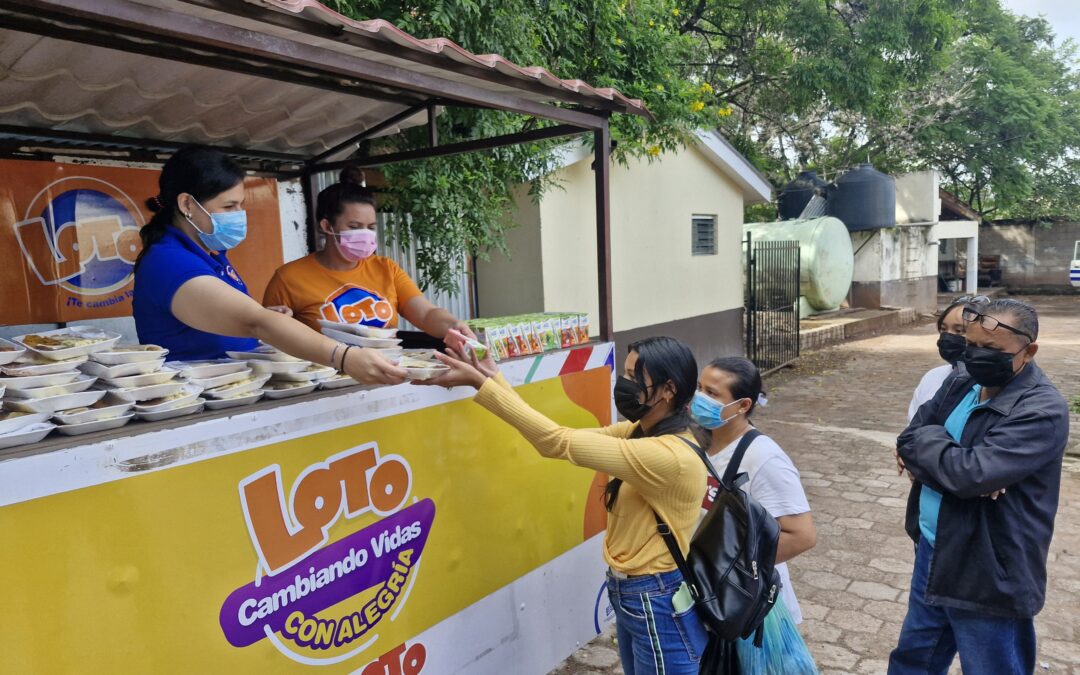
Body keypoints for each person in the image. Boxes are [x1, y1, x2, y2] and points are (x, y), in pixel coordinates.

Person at [419, 337, 710, 674]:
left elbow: (556, 442)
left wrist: (479, 383)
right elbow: (566, 434)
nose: (624, 384)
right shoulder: (641, 432)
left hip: (655, 598)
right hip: (633, 594)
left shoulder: (667, 457)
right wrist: (493, 377)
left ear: (668, 389)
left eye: (633, 376)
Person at [890, 298, 1070, 675]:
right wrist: (954, 462)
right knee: (913, 659)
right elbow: (910, 437)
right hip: (934, 548)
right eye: (972, 345)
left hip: (988, 567)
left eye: (992, 350)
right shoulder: (961, 380)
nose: (976, 356)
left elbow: (968, 475)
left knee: (991, 666)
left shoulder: (1042, 409)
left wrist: (943, 459)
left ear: (1029, 351)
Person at [133, 146, 407, 384]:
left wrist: (264, 316)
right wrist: (345, 357)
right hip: (196, 399)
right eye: (229, 206)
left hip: (234, 387)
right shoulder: (167, 261)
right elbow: (255, 323)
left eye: (241, 205)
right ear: (187, 204)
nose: (239, 215)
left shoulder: (211, 252)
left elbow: (238, 318)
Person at [262, 169, 470, 338]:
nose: (364, 234)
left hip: (384, 374)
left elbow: (425, 314)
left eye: (370, 227)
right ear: (327, 225)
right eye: (354, 226)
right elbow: (268, 337)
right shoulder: (288, 278)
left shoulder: (386, 268)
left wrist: (453, 326)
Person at [690, 357, 816, 625]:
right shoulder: (697, 442)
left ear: (743, 405)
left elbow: (802, 536)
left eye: (712, 393)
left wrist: (733, 570)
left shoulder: (764, 457)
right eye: (699, 388)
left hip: (747, 607)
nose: (700, 398)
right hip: (706, 595)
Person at [906, 295, 983, 422]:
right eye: (943, 329)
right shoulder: (933, 377)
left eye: (959, 331)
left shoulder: (988, 385)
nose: (948, 336)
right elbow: (912, 429)